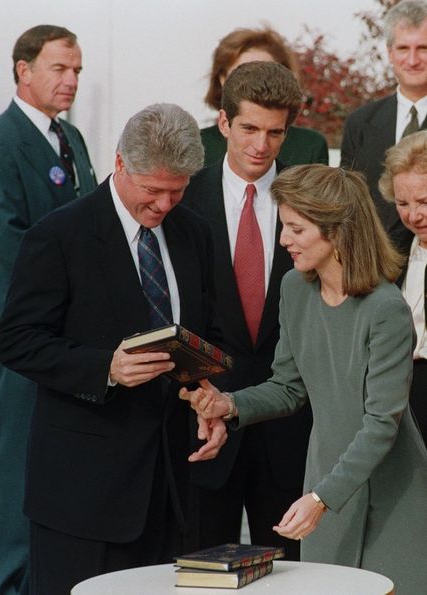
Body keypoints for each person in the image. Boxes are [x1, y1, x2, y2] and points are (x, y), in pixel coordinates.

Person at [0, 103, 227, 595]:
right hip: (83, 495)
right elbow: (16, 341)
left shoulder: (196, 233)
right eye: (153, 189)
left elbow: (208, 334)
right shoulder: (58, 236)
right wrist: (106, 368)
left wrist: (209, 397)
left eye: (177, 190)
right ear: (120, 163)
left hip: (171, 490)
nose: (165, 204)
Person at [181, 164, 427, 595]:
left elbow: (381, 424)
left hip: (391, 494)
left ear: (336, 231)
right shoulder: (295, 288)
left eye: (296, 228)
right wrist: (230, 404)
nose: (282, 240)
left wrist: (320, 499)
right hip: (324, 481)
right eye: (284, 226)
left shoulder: (386, 309)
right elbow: (288, 386)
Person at [0, 25, 97, 595]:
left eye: (76, 71)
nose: (70, 81)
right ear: (23, 69)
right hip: (29, 328)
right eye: (58, 69)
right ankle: (0, 581)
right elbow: (11, 241)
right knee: (14, 450)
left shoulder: (70, 139)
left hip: (74, 327)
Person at [183, 61, 311, 560]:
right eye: (250, 129)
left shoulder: (311, 203)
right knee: (199, 572)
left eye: (275, 132)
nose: (261, 145)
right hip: (203, 422)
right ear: (223, 123)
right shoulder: (186, 200)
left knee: (294, 578)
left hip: (292, 429)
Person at [340, 0, 427, 236]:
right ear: (389, 53)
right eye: (403, 49)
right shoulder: (359, 123)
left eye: (423, 48)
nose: (412, 60)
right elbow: (349, 206)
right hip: (377, 265)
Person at [200, 26, 328, 167]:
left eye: (268, 73)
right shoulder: (196, 145)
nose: (257, 82)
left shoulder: (309, 145)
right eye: (243, 74)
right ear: (222, 79)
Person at [379, 130, 427, 446]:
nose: (413, 215)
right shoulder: (392, 251)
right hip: (402, 396)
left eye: (424, 201)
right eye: (402, 203)